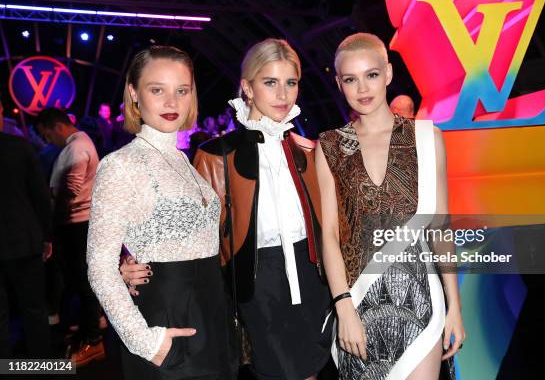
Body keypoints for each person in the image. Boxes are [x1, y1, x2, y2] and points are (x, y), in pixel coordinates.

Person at [121, 39, 332, 380]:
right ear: (247, 87)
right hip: (256, 280)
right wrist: (132, 259)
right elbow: (182, 227)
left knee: (310, 370)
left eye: (290, 83)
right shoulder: (215, 156)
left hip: (311, 277)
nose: (282, 94)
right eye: (270, 82)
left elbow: (334, 225)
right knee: (278, 370)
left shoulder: (310, 150)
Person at [316, 33, 465, 379]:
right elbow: (331, 237)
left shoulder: (427, 138)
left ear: (388, 73)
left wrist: (454, 305)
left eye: (371, 74)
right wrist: (344, 309)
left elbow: (440, 226)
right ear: (339, 83)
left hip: (422, 302)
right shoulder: (332, 146)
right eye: (350, 79)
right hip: (359, 304)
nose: (362, 88)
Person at [87, 45, 236, 379]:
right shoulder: (120, 166)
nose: (172, 103)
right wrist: (145, 342)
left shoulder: (183, 159)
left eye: (182, 90)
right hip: (165, 323)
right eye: (158, 90)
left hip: (211, 315)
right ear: (134, 93)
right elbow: (99, 266)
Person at [35, 108, 103, 366]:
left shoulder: (76, 148)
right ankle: (90, 328)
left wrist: (51, 226)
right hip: (76, 224)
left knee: (83, 281)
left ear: (55, 126)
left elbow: (69, 192)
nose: (46, 141)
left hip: (76, 225)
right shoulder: (78, 143)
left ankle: (93, 340)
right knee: (79, 279)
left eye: (45, 135)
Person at [0, 107, 53, 358]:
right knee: (34, 308)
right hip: (25, 239)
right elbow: (41, 197)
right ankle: (42, 365)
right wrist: (48, 236)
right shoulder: (19, 147)